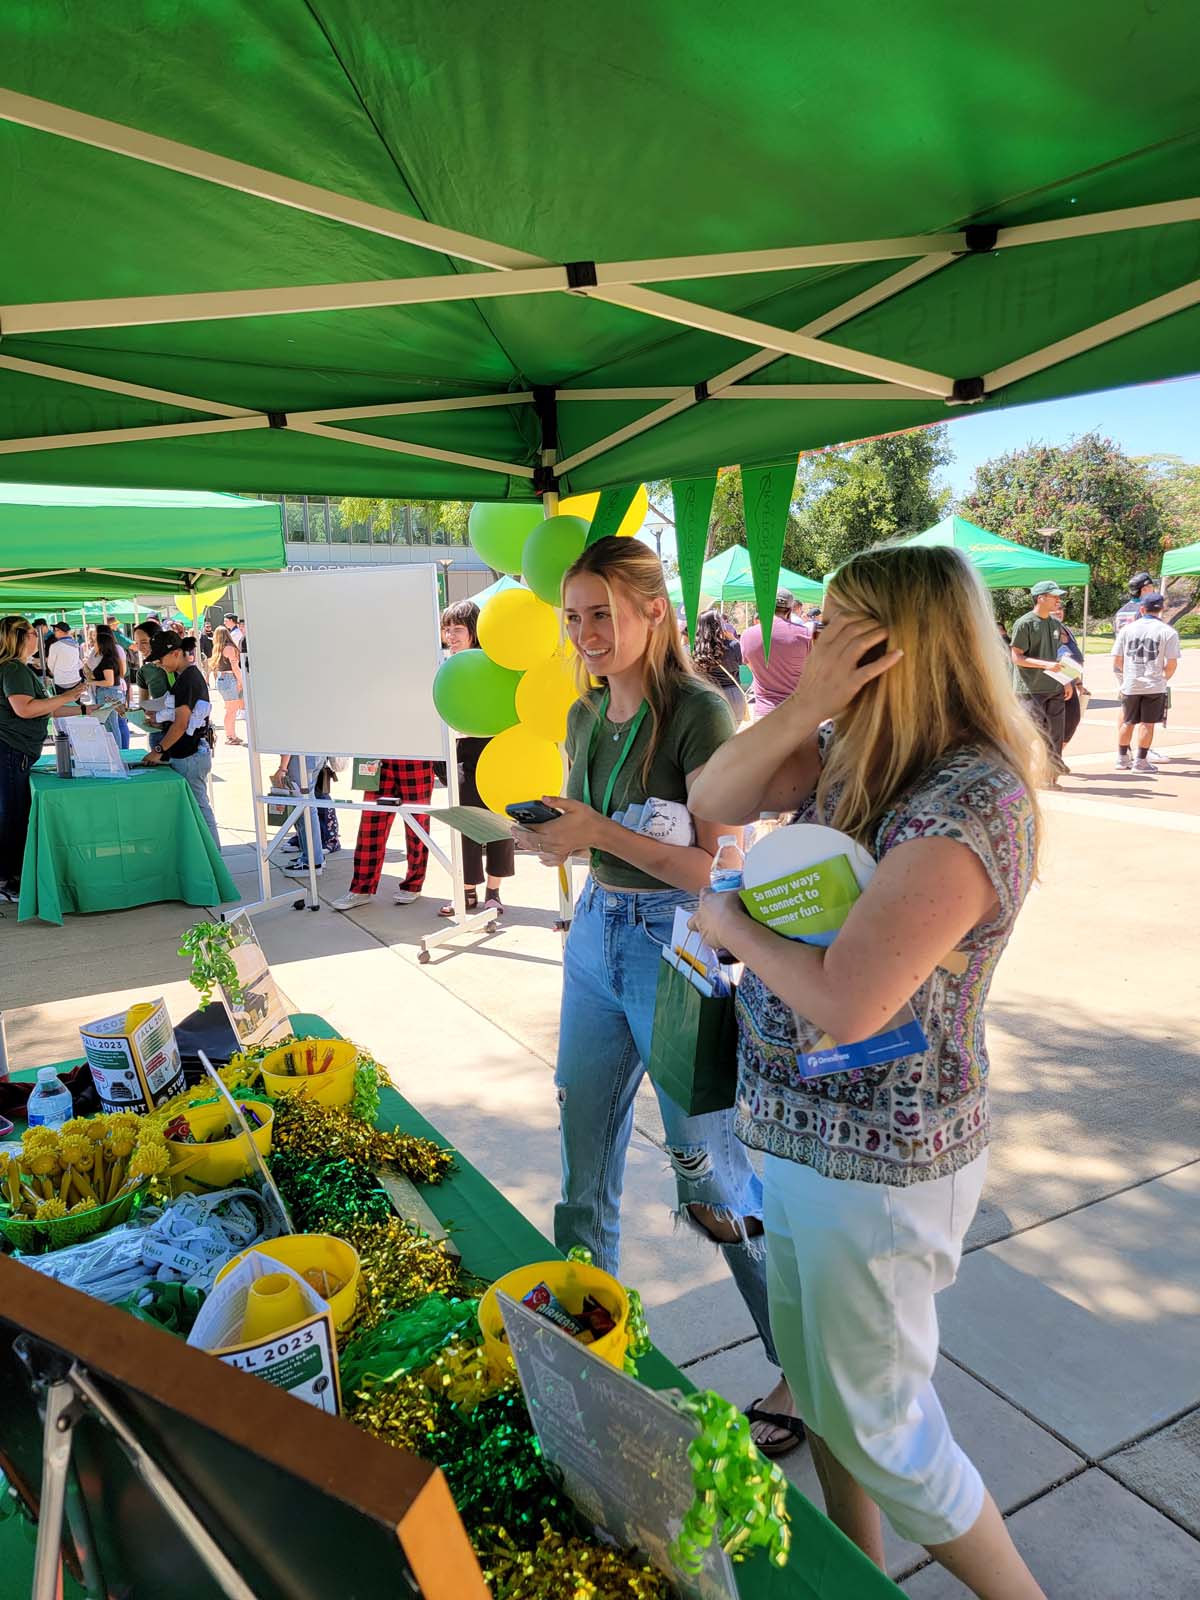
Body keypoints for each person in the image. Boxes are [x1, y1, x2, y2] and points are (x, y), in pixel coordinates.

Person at [687, 543, 1045, 1598]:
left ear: (898, 644)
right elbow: (714, 788)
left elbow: (849, 997)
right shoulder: (856, 750)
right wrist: (807, 709)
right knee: (827, 1401)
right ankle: (859, 1578)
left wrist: (727, 921)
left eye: (840, 625)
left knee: (886, 1431)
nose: (815, 636)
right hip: (800, 1141)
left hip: (881, 1169)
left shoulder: (970, 801)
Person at [510, 536, 797, 1453]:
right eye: (574, 617)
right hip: (596, 934)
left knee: (707, 1170)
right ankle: (591, 1332)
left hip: (677, 946)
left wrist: (596, 830)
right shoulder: (585, 716)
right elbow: (584, 823)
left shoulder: (699, 715)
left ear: (652, 613)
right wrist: (558, 837)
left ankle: (797, 1365)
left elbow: (717, 863)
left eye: (603, 613)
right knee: (580, 1141)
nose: (587, 633)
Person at [432, 600, 517, 916]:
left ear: (474, 632)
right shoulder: (443, 667)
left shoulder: (491, 664)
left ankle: (493, 893)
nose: (451, 636)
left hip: (494, 752)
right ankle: (465, 892)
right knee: (463, 822)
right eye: (447, 629)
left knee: (497, 822)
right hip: (459, 756)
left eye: (458, 629)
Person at [0, 616, 86, 899]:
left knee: (12, 814)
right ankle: (9, 880)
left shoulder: (16, 669)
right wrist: (69, 695)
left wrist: (85, 709)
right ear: (20, 637)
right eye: (33, 633)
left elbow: (43, 708)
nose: (39, 637)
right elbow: (25, 709)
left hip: (14, 752)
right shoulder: (13, 669)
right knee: (13, 816)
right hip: (11, 752)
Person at [330, 753, 436, 911]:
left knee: (416, 824)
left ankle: (413, 885)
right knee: (371, 825)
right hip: (379, 756)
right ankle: (361, 888)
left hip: (415, 756)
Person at [140, 633, 219, 842]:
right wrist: (159, 722)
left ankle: (214, 859)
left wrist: (158, 751)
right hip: (188, 752)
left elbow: (181, 723)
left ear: (176, 653)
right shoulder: (185, 677)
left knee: (200, 809)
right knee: (197, 808)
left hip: (190, 754)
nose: (158, 664)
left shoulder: (188, 679)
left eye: (161, 659)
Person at [1112, 592, 1181, 773]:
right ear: (1162, 609)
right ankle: (1141, 761)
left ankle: (1122, 758)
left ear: (1142, 609)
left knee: (1128, 720)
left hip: (1131, 682)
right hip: (1153, 683)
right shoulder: (1168, 631)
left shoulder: (1127, 630)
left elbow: (1117, 660)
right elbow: (1172, 663)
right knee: (1147, 723)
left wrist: (1126, 675)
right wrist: (1163, 677)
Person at [1009, 580, 1067, 777]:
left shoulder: (1055, 624)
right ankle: (1023, 776)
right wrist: (1045, 665)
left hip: (1054, 688)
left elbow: (1057, 655)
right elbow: (1016, 657)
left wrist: (1067, 680)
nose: (1058, 600)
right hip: (1030, 690)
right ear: (1040, 598)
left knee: (1055, 736)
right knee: (1029, 736)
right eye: (1054, 596)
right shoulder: (1024, 623)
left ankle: (1050, 777)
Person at [739, 589, 814, 719]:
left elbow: (751, 667)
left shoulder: (748, 635)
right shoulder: (805, 634)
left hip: (764, 713)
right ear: (790, 610)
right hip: (796, 712)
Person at [692, 609, 748, 723]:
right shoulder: (733, 645)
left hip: (709, 696)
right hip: (733, 695)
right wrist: (733, 639)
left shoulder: (696, 650)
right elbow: (743, 661)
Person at [1048, 600, 1086, 746]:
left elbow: (1071, 658)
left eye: (1060, 609)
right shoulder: (1050, 631)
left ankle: (1057, 758)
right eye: (1054, 609)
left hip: (1068, 680)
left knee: (1071, 721)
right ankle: (1053, 760)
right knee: (1063, 723)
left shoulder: (1065, 629)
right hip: (1057, 683)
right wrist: (1065, 682)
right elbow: (1054, 657)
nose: (1058, 612)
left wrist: (1078, 682)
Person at [88, 624, 131, 749]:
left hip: (109, 693)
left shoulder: (107, 659)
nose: (93, 641)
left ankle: (117, 752)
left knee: (112, 726)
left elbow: (109, 681)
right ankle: (117, 752)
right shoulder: (107, 656)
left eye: (96, 639)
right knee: (112, 725)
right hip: (110, 692)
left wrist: (92, 682)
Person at [133, 621, 171, 751]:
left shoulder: (176, 664)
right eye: (137, 643)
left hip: (181, 732)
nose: (140, 647)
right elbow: (143, 704)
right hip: (158, 732)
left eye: (144, 642)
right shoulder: (144, 671)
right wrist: (127, 713)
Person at [211, 626, 245, 746]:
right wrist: (241, 681)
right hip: (230, 679)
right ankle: (231, 736)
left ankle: (231, 735)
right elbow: (235, 667)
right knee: (232, 710)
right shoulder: (230, 648)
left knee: (230, 709)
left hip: (222, 679)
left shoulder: (217, 649)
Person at [1112, 570, 1155, 636]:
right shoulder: (1146, 610)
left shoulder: (1120, 612)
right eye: (1152, 586)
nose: (1153, 589)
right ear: (1144, 589)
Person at [46, 622, 83, 691]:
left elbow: (50, 664)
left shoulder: (55, 646)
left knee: (62, 701)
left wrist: (55, 673)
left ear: (61, 631)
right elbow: (80, 663)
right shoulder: (76, 644)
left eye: (56, 630)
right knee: (76, 701)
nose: (54, 632)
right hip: (75, 679)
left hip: (61, 681)